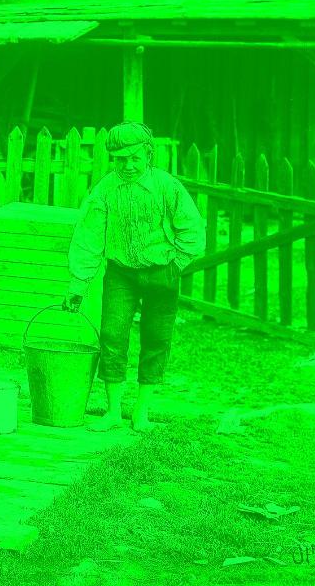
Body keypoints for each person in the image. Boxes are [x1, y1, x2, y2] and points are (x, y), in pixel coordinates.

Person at [62, 122, 204, 432]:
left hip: (161, 271)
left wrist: (176, 264)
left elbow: (192, 229)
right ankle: (113, 411)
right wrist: (78, 284)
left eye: (135, 158)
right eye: (120, 159)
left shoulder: (167, 186)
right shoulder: (105, 190)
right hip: (121, 275)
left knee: (156, 339)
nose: (127, 165)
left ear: (148, 155)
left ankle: (142, 411)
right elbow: (89, 237)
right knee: (112, 336)